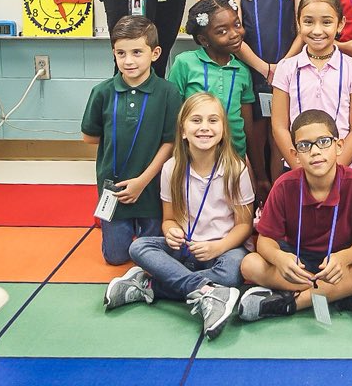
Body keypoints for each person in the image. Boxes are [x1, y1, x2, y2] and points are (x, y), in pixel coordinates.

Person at [104, 92, 255, 340]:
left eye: (213, 121)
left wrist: (218, 247)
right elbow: (169, 219)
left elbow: (244, 226)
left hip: (224, 248)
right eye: (196, 121)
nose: (204, 127)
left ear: (223, 130)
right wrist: (170, 231)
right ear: (183, 130)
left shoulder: (235, 169)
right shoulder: (171, 167)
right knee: (140, 247)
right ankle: (208, 291)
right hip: (185, 248)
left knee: (231, 273)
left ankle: (150, 286)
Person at [238, 109, 352, 322]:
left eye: (323, 142)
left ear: (339, 146)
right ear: (295, 155)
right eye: (304, 146)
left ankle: (291, 304)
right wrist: (280, 258)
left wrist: (343, 258)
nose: (314, 151)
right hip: (298, 265)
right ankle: (343, 295)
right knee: (250, 264)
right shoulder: (284, 185)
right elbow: (265, 241)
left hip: (338, 264)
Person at [82, 16, 182, 265]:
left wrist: (142, 181)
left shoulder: (168, 92)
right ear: (113, 53)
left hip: (152, 189)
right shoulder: (102, 92)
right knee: (116, 258)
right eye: (121, 53)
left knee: (153, 257)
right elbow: (90, 136)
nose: (128, 61)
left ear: (155, 53)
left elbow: (170, 143)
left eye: (137, 52)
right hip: (113, 190)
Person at [231, 0, 304, 192]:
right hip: (252, 77)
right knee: (254, 137)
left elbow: (301, 32)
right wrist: (264, 68)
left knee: (279, 138)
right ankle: (258, 188)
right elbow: (235, 39)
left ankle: (277, 191)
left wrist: (281, 67)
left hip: (285, 76)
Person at [271, 0, 352, 169]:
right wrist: (301, 168)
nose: (317, 30)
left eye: (326, 22)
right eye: (308, 22)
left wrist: (334, 170)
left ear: (340, 25)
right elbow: (279, 126)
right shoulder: (286, 68)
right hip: (299, 166)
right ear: (298, 23)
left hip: (343, 166)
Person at [168, 0, 260, 189]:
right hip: (194, 160)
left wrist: (259, 174)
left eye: (237, 24)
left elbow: (248, 126)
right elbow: (173, 115)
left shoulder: (242, 70)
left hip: (234, 160)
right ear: (203, 39)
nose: (234, 34)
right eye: (222, 31)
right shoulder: (185, 63)